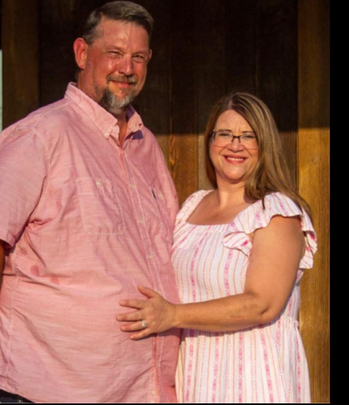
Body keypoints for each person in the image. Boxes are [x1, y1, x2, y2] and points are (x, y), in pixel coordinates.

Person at [0, 2, 181, 403]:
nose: (127, 68)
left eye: (138, 57)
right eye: (114, 53)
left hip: (133, 388)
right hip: (45, 387)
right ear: (82, 53)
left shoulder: (146, 146)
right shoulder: (41, 136)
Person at [116, 92, 317, 402]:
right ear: (210, 141)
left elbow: (262, 304)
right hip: (197, 373)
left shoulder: (276, 212)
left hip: (254, 375)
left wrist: (172, 315)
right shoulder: (193, 206)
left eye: (248, 136)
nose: (235, 145)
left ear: (265, 145)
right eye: (224, 134)